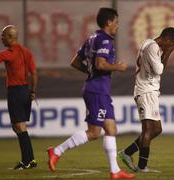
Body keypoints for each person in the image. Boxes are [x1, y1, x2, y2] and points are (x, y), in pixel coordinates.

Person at [46, 7, 135, 179]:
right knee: (94, 132)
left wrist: (90, 71)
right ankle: (56, 151)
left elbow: (75, 62)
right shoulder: (106, 40)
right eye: (116, 22)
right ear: (109, 22)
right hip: (97, 90)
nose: (118, 25)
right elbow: (101, 64)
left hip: (97, 89)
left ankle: (115, 171)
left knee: (111, 129)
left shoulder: (92, 38)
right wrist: (118, 66)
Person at [119, 27, 174, 172]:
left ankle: (126, 153)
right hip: (145, 91)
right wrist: (169, 52)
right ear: (167, 39)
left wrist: (166, 50)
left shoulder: (149, 43)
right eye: (170, 44)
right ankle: (142, 166)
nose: (169, 47)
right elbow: (159, 70)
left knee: (156, 129)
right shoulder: (153, 47)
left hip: (149, 91)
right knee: (148, 130)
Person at [0, 25, 38, 169]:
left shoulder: (10, 53)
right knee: (17, 126)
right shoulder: (27, 52)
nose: (1, 38)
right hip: (26, 91)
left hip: (15, 92)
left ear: (10, 37)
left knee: (19, 126)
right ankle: (29, 159)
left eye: (3, 36)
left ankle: (28, 160)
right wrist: (32, 92)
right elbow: (34, 74)